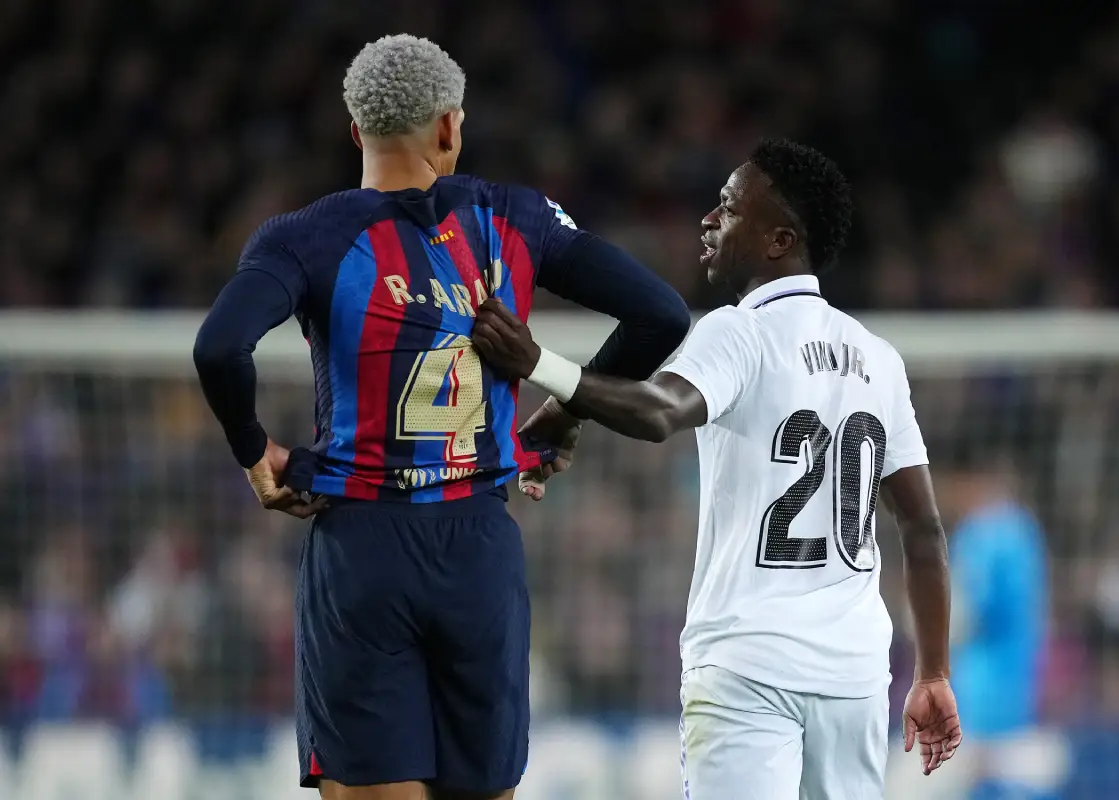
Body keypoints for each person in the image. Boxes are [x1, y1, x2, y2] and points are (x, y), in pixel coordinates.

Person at [192, 34, 690, 800]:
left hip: (361, 547)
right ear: (451, 127)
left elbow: (221, 349)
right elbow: (660, 313)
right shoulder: (514, 217)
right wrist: (559, 412)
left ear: (356, 132)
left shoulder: (307, 236)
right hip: (479, 551)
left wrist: (256, 453)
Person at [473, 138, 962, 799]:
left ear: (778, 239)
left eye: (729, 207)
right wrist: (932, 673)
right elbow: (924, 529)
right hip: (854, 672)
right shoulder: (878, 357)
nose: (709, 219)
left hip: (747, 662)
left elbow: (656, 412)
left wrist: (541, 364)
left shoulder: (740, 331)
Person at [890, 440, 1052, 800]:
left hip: (976, 706)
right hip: (1014, 697)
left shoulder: (988, 534)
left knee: (899, 789)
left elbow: (961, 617)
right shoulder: (1025, 531)